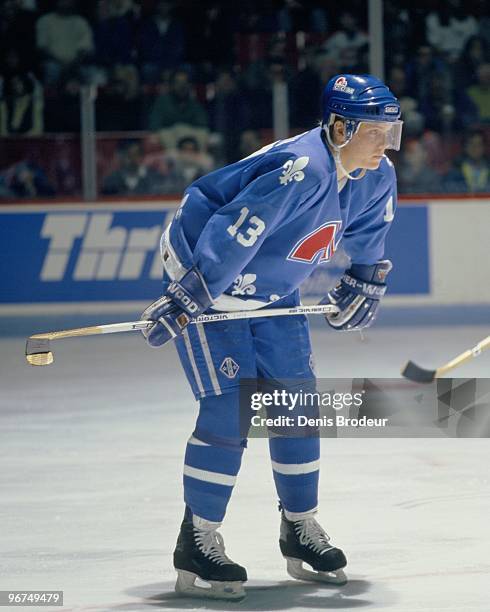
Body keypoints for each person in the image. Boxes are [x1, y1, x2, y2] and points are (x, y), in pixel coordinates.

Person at [141, 74, 402, 600]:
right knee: (227, 410)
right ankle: (197, 542)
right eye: (375, 132)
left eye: (390, 132)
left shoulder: (376, 175)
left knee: (295, 406)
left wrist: (366, 278)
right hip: (209, 278)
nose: (386, 144)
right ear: (339, 126)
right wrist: (192, 292)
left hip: (272, 289)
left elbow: (368, 235)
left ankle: (299, 529)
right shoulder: (302, 169)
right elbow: (235, 230)